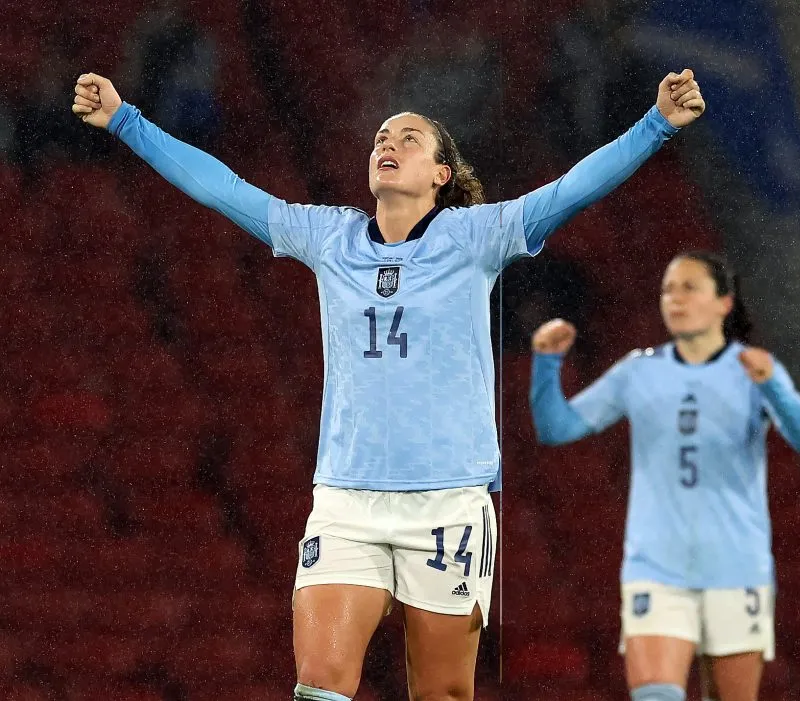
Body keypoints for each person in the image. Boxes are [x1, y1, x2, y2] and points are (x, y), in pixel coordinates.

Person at [71, 68, 706, 701]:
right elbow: (224, 189)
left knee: (441, 692)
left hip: (448, 501)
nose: (388, 143)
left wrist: (654, 126)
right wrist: (127, 121)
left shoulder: (475, 236)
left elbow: (573, 189)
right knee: (318, 684)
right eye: (381, 135)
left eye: (409, 138)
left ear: (441, 175)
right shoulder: (329, 236)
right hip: (347, 499)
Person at [529, 251, 800, 701]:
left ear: (724, 303)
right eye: (668, 289)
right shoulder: (639, 370)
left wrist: (772, 388)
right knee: (656, 695)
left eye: (690, 287)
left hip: (736, 567)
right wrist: (547, 366)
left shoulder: (754, 368)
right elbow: (557, 429)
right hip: (656, 568)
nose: (675, 298)